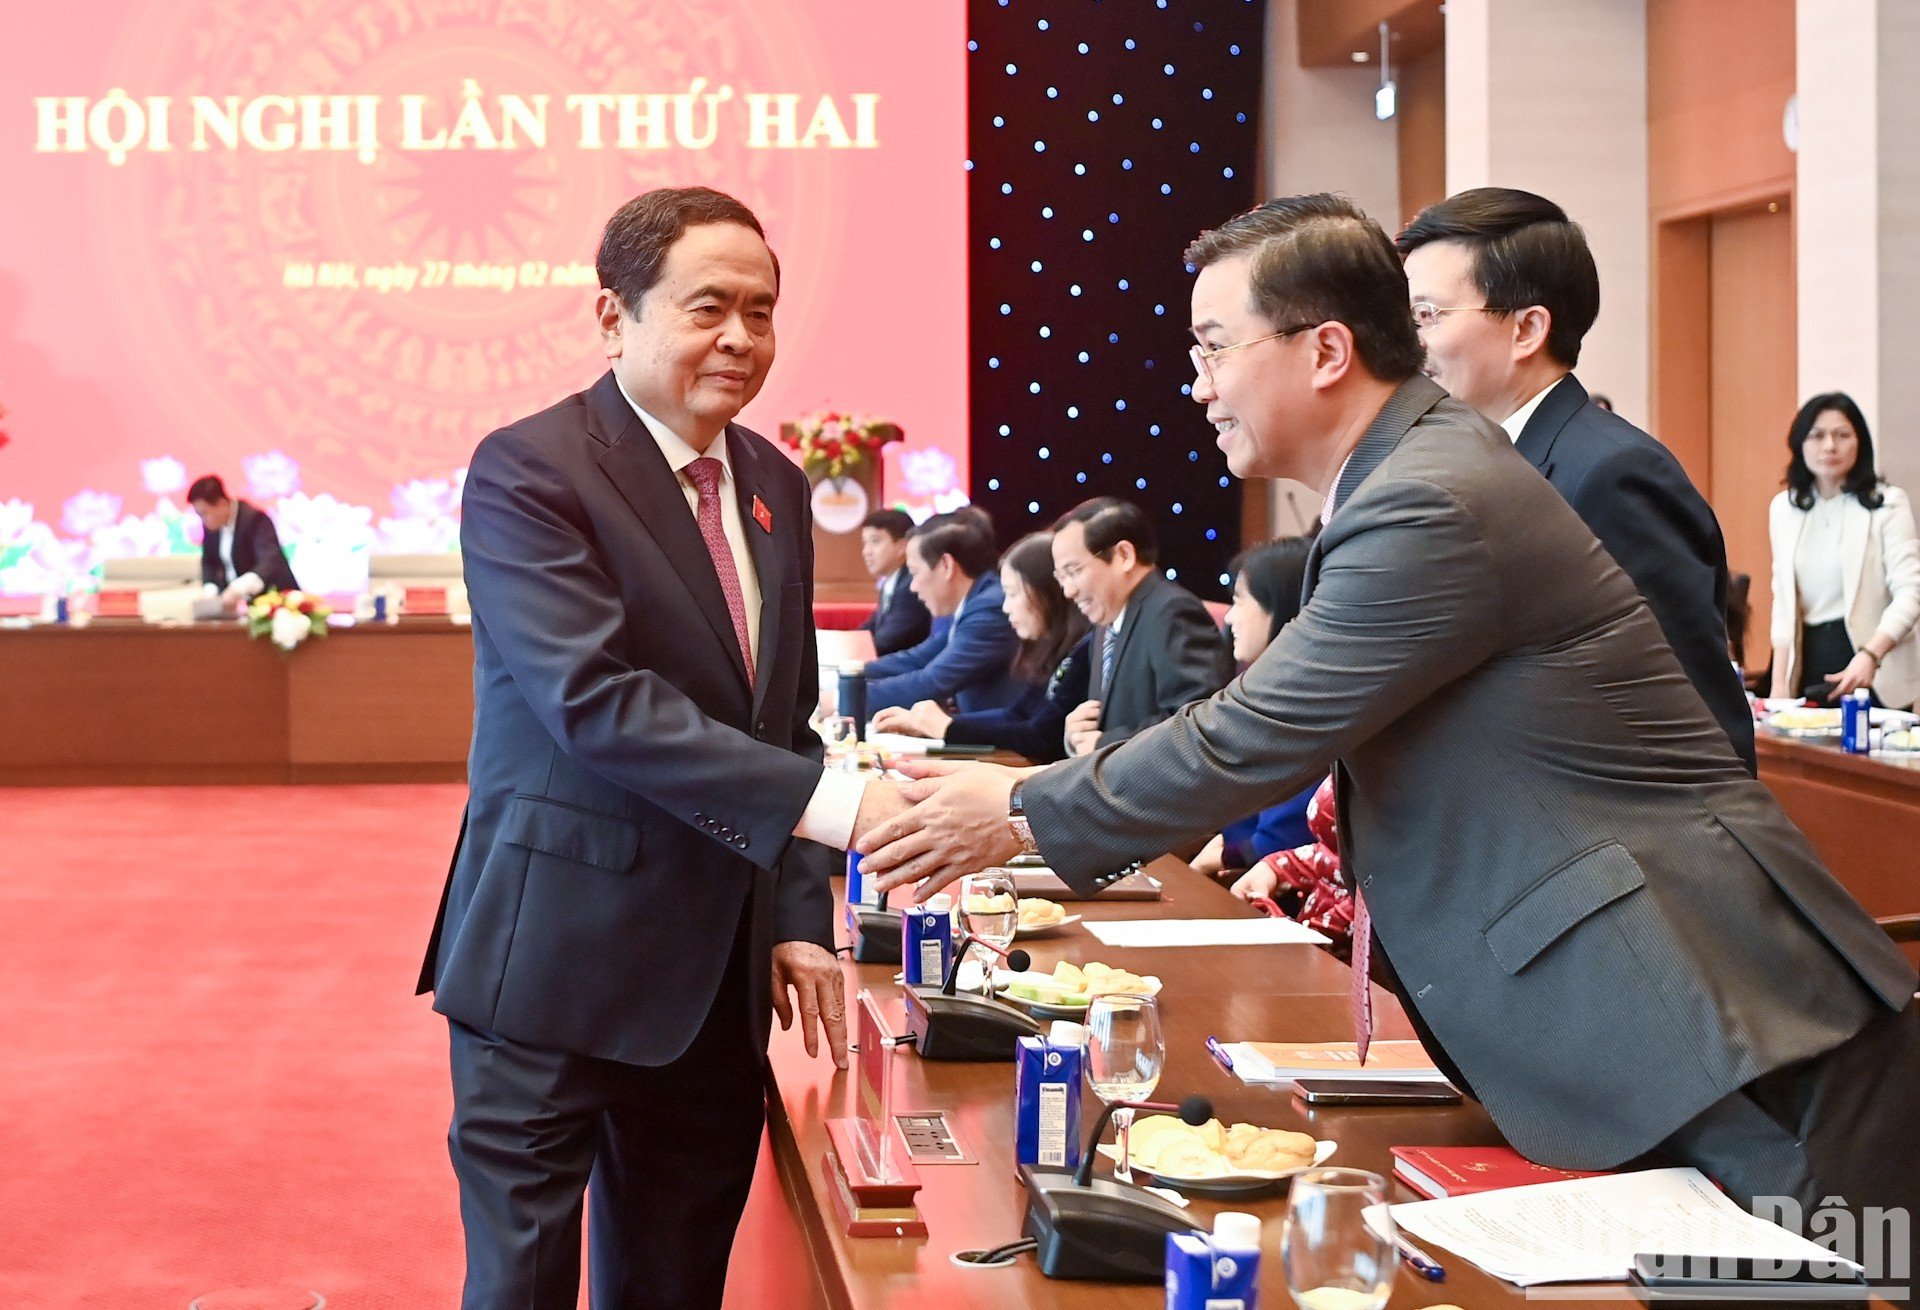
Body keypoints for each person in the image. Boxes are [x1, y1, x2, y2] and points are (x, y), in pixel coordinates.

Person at [857, 194, 1920, 1227]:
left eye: (1215, 348)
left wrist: (1021, 808)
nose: (1199, 387)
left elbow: (1258, 731)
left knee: (1811, 1275)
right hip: (1664, 1019)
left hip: (1724, 1022)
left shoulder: (1430, 495)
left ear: (1324, 350)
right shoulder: (1402, 475)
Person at [416, 186, 904, 1310]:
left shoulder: (778, 485)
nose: (740, 337)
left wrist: (796, 919)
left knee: (673, 1287)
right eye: (707, 308)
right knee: (520, 1291)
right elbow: (594, 700)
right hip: (552, 972)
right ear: (612, 316)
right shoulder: (531, 470)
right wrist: (844, 808)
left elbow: (780, 720)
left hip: (712, 990)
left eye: (762, 310)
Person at [1395, 188, 1756, 773]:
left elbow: (1694, 719)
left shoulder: (1612, 475)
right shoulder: (1462, 462)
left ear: (1527, 329)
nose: (1410, 344)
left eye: (1427, 316)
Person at [871, 531, 1091, 762]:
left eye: (1014, 594)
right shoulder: (1052, 648)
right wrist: (935, 724)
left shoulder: (1079, 651)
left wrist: (947, 728)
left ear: (1049, 592)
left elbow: (1038, 737)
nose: (1006, 607)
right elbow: (1017, 714)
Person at [1769, 393, 1920, 708]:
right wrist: (1779, 686)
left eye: (1842, 435)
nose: (1829, 446)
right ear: (1800, 444)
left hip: (1875, 666)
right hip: (1809, 659)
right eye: (1817, 435)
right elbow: (1782, 600)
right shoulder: (1784, 509)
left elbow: (1911, 591)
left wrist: (1871, 654)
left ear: (1860, 442)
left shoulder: (1887, 504)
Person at [1053, 497, 1234, 756]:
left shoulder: (1173, 612)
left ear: (1123, 556)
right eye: (1061, 577)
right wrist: (1076, 736)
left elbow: (1197, 722)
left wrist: (1104, 745)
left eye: (1074, 571)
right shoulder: (1107, 623)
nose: (1069, 591)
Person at [1192, 535, 1320, 877]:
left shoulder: (1306, 702)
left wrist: (1227, 856)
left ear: (1280, 605)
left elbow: (1283, 836)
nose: (1230, 618)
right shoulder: (1262, 689)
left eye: (1239, 601)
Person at [857, 510, 1024, 715]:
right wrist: (848, 674)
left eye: (915, 573)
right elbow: (919, 658)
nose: (913, 587)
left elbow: (933, 681)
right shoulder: (973, 603)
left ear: (946, 565)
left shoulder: (990, 610)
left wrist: (847, 697)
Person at [187, 474, 299, 602]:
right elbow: (209, 561)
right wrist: (210, 590)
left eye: (205, 513)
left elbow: (269, 560)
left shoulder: (255, 519)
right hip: (236, 605)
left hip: (273, 600)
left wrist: (239, 588)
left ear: (222, 504)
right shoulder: (212, 525)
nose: (203, 520)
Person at [857, 508, 932, 656]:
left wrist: (850, 649)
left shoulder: (911, 586)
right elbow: (870, 628)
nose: (866, 551)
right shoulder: (891, 582)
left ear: (902, 546)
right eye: (865, 543)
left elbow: (886, 641)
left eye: (875, 541)